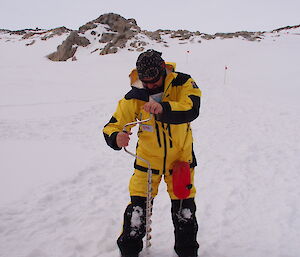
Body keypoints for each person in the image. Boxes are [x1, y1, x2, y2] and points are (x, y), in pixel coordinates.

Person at [103, 49, 201, 257]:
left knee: (185, 213)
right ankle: (129, 252)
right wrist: (116, 137)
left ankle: (187, 252)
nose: (149, 85)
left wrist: (163, 108)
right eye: (145, 81)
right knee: (137, 213)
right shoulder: (134, 96)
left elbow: (191, 108)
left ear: (162, 71)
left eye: (154, 80)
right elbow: (112, 125)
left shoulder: (182, 82)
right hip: (146, 163)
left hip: (180, 162)